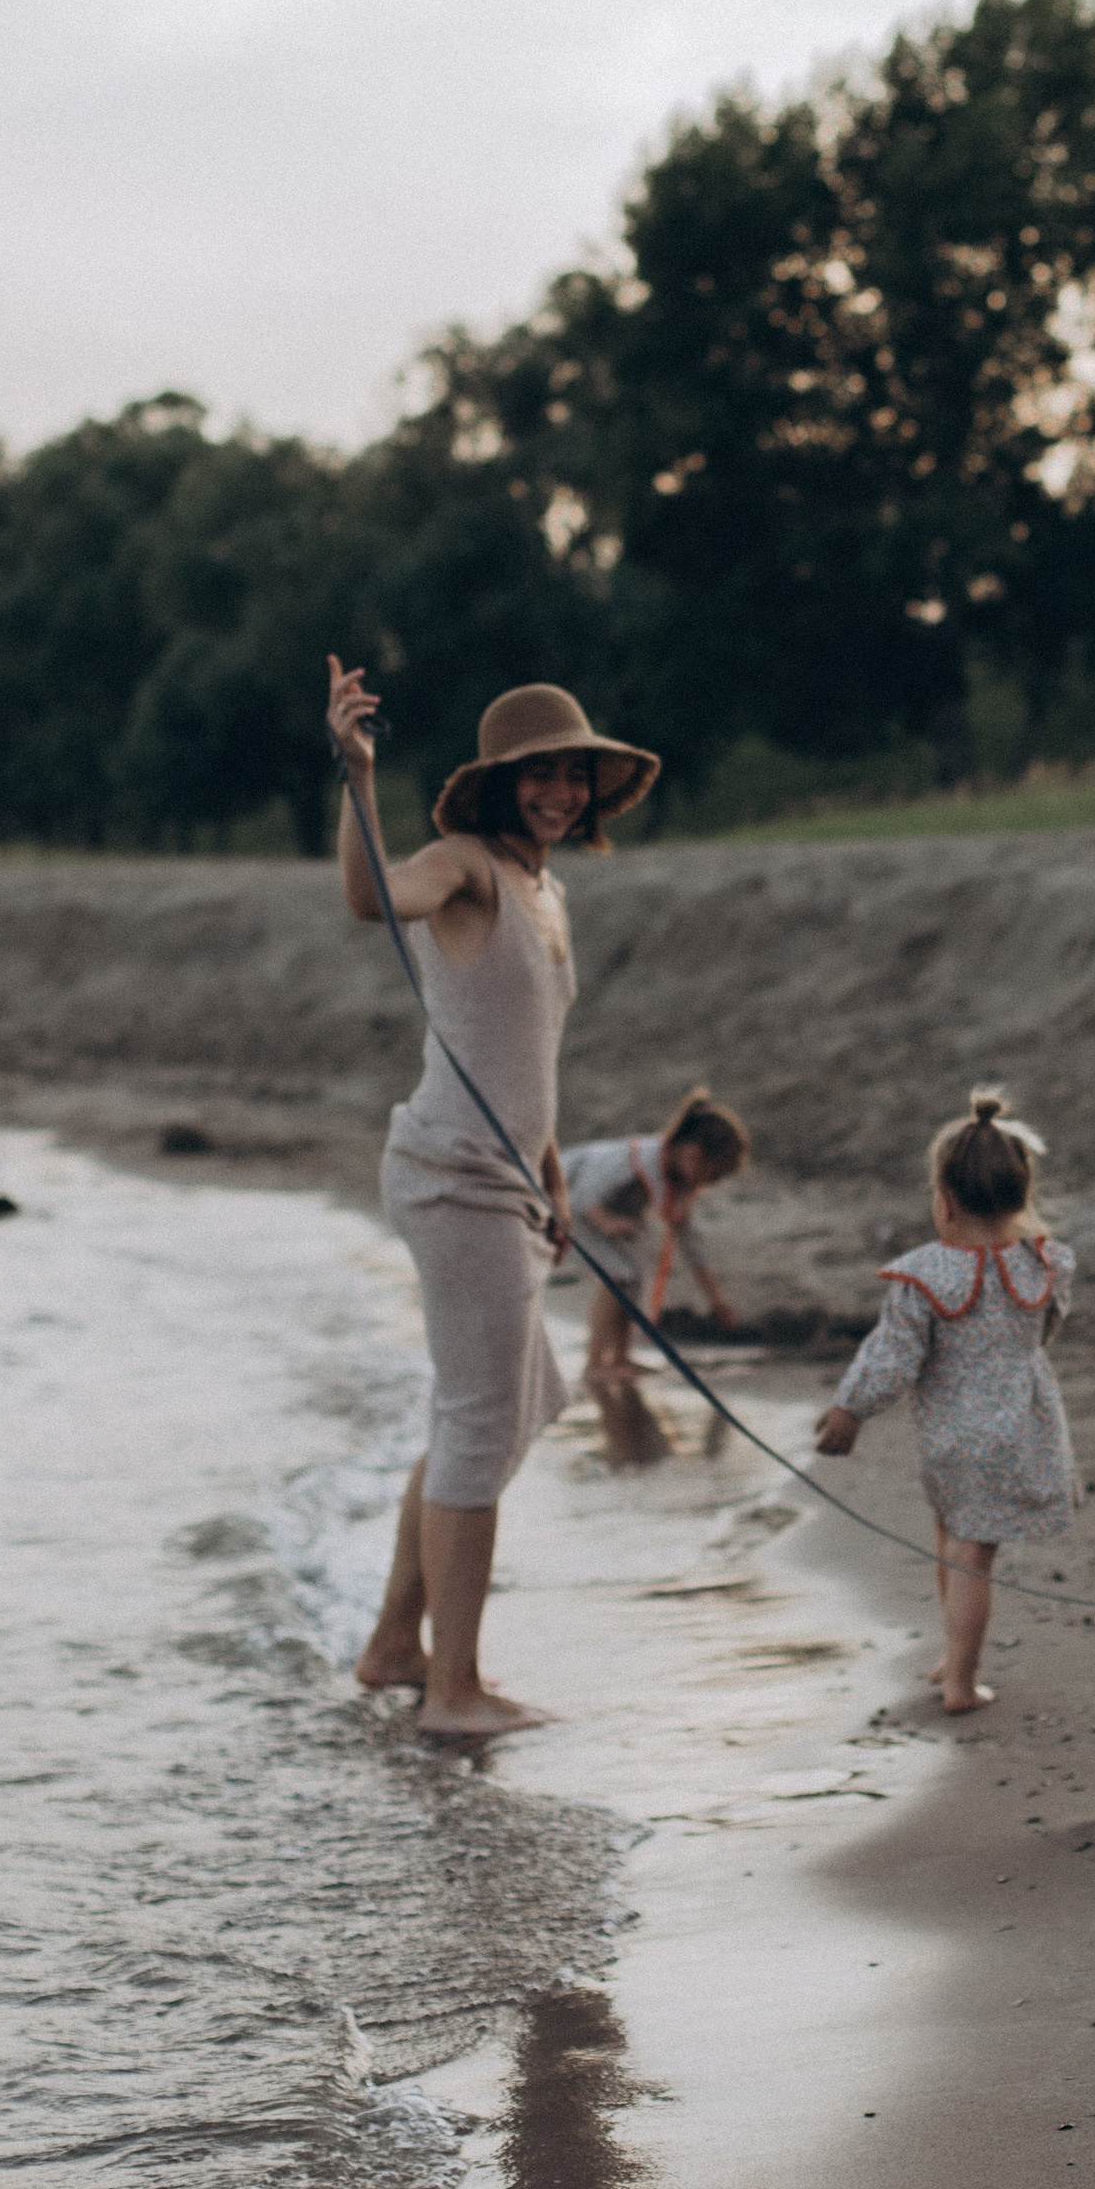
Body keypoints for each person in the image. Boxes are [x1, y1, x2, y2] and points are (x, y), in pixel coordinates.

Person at [325, 657, 659, 1740]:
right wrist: (356, 774)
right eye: (539, 776)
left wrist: (555, 1174)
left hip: (511, 1183)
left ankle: (391, 1648)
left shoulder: (548, 888)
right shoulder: (462, 865)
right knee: (478, 1424)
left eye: (573, 774)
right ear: (497, 784)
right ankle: (454, 1692)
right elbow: (372, 895)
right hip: (450, 1178)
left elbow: (523, 1055)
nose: (560, 792)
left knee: (515, 1406)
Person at [814, 1090, 1075, 1714]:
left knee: (958, 1546)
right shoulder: (1044, 1262)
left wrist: (850, 1409)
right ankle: (954, 1659)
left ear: (945, 1200)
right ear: (1022, 1197)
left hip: (950, 1432)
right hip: (1021, 1422)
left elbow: (892, 1355)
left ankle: (959, 1679)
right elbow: (1048, 1326)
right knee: (968, 1547)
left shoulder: (925, 1275)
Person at [562, 1092, 751, 1384]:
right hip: (568, 1200)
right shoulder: (634, 1157)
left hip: (610, 1211)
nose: (710, 1185)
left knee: (633, 1276)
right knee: (618, 1274)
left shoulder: (681, 1180)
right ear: (693, 1154)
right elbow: (583, 1195)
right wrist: (607, 1222)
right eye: (713, 1176)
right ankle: (594, 1363)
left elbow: (691, 1243)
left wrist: (716, 1299)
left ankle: (620, 1356)